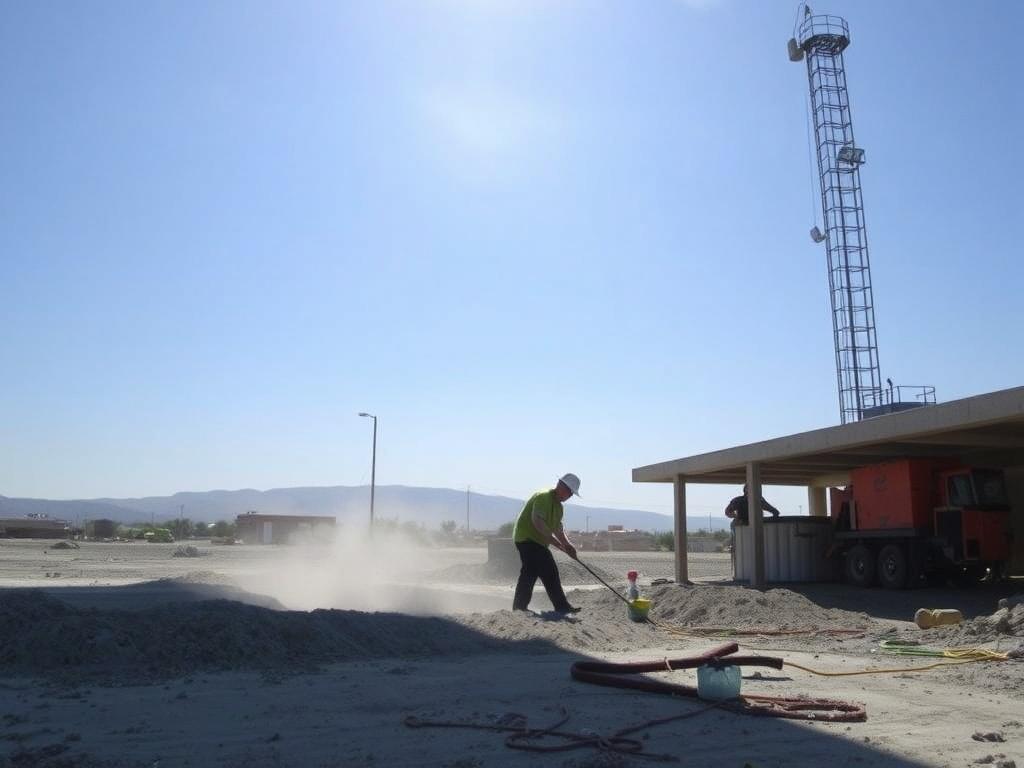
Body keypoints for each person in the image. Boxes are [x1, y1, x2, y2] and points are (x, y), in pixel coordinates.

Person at [512, 473, 582, 614]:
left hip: (538, 542)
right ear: (560, 486)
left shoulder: (559, 508)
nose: (570, 496)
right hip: (526, 539)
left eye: (571, 494)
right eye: (570, 492)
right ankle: (560, 606)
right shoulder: (543, 497)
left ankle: (520, 607)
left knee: (531, 572)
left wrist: (568, 546)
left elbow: (557, 529)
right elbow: (537, 522)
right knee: (548, 569)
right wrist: (557, 544)